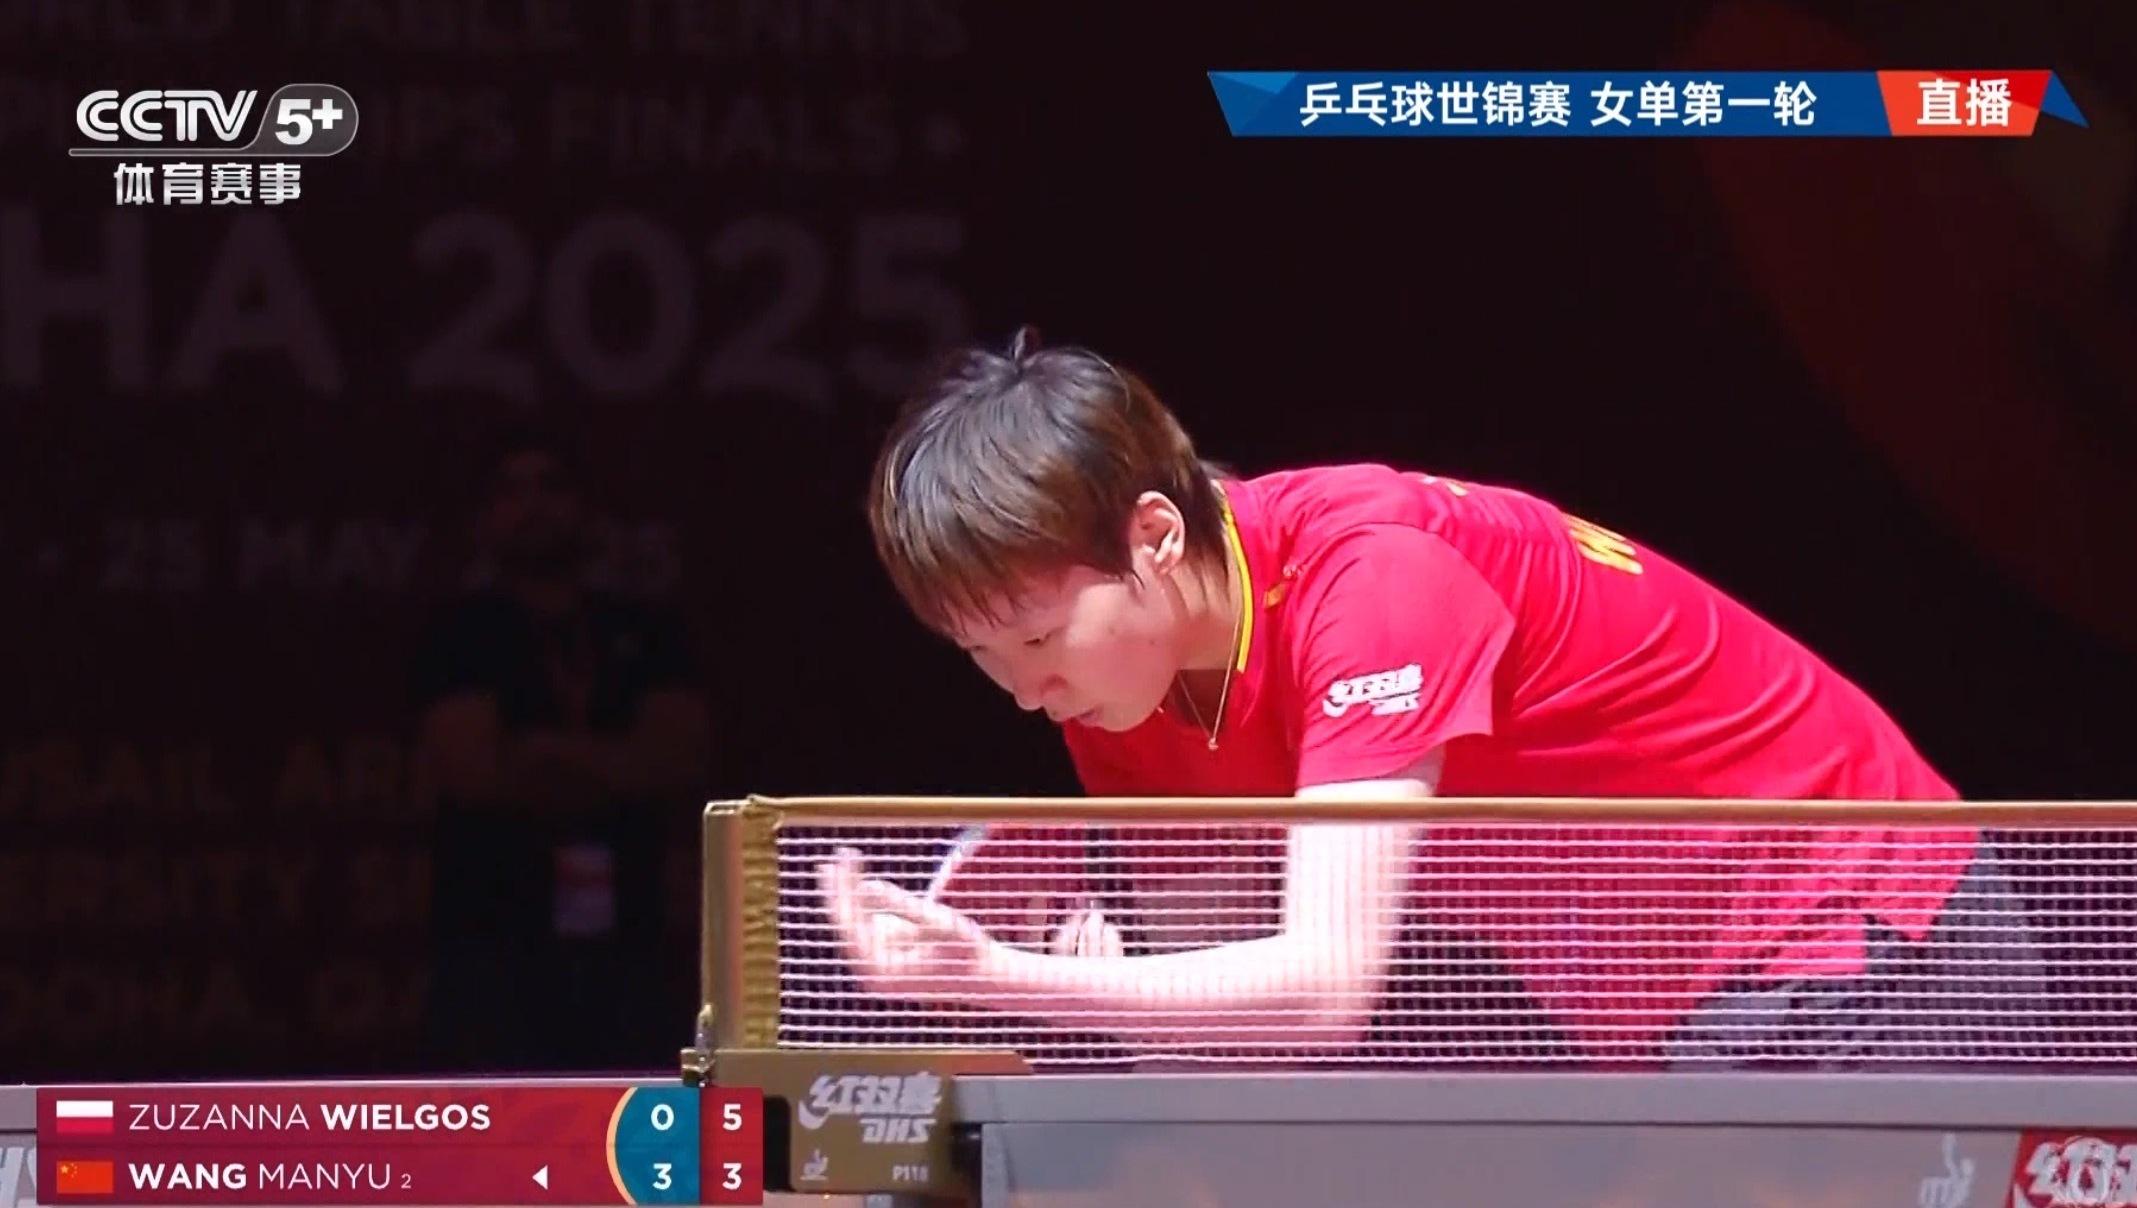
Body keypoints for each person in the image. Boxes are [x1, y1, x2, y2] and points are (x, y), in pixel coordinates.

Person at [819, 326, 2046, 1068]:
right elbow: (1239, 1045)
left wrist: (1007, 982)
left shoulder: (1372, 578)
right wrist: (1090, 966)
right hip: (1673, 1013)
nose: (1025, 691)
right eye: (981, 655)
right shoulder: (1122, 696)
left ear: (1153, 535)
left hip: (1858, 933)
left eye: (1038, 635)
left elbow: (1322, 991)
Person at [413, 424, 713, 1070]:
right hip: (492, 934)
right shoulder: (460, 633)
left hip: (631, 936)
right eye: (512, 490)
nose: (534, 506)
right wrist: (613, 760)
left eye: (550, 486)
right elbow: (473, 772)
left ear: (585, 508)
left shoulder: (646, 630)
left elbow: (676, 760)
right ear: (485, 517)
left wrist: (542, 752)